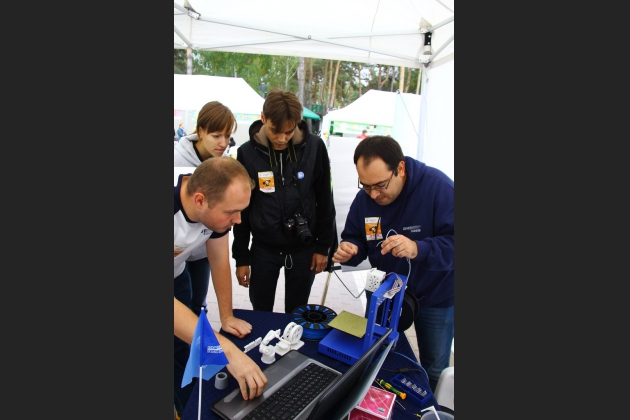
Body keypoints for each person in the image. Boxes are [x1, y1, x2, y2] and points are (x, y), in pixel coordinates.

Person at [331, 135, 453, 393]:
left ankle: (428, 408)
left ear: (400, 168)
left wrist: (418, 248)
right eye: (365, 186)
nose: (374, 194)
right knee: (377, 353)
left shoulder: (439, 188)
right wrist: (350, 249)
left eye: (380, 185)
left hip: (436, 295)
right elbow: (355, 236)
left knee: (433, 369)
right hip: (387, 292)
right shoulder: (366, 198)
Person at [174, 157, 268, 416]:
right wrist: (227, 352)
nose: (238, 220)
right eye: (231, 212)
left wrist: (226, 316)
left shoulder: (212, 200)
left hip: (177, 273)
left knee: (181, 346)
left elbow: (218, 259)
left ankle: (186, 407)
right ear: (200, 200)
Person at [232, 89, 336, 313]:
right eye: (275, 131)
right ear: (263, 118)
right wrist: (241, 257)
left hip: (303, 249)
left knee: (297, 314)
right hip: (263, 249)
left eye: (288, 132)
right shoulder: (246, 153)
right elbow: (242, 209)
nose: (281, 139)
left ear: (297, 123)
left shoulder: (315, 148)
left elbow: (325, 200)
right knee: (260, 311)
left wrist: (323, 247)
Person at [175, 101, 237, 317]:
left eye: (227, 136)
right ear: (200, 131)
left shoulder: (224, 165)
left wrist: (227, 316)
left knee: (197, 303)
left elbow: (220, 259)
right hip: (177, 249)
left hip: (202, 249)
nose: (223, 143)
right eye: (216, 135)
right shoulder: (176, 161)